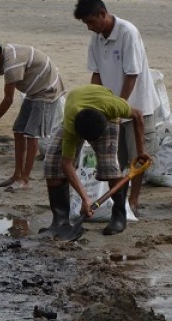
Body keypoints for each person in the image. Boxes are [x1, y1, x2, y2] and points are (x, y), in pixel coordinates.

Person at [73, 0, 159, 216]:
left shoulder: (127, 32)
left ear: (102, 14)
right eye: (85, 24)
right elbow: (97, 74)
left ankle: (135, 200)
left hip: (138, 104)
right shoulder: (97, 38)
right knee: (118, 159)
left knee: (137, 156)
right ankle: (120, 199)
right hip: (111, 108)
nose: (89, 27)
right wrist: (95, 103)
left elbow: (132, 74)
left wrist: (119, 106)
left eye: (91, 22)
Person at [41, 84, 150, 237]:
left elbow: (138, 115)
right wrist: (85, 199)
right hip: (78, 110)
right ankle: (60, 220)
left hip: (105, 114)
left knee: (109, 166)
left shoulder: (115, 107)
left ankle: (119, 217)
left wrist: (141, 151)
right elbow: (66, 163)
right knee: (52, 164)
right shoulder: (71, 125)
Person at [0, 39, 65, 191]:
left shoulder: (12, 64)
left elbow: (8, 100)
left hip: (46, 91)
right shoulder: (0, 57)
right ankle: (16, 175)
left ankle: (25, 179)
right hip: (32, 91)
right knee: (18, 130)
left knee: (32, 135)